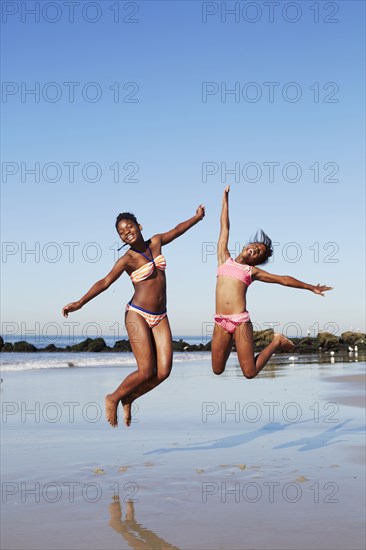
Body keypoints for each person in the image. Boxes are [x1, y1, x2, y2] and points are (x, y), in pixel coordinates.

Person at [62, 205, 205, 427]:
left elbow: (177, 230)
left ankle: (129, 398)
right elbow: (105, 282)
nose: (126, 232)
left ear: (139, 227)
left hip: (160, 316)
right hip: (137, 314)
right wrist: (80, 303)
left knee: (164, 372)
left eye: (129, 227)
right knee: (146, 370)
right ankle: (113, 397)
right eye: (121, 231)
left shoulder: (156, 242)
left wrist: (196, 218)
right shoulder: (127, 260)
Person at [212, 186, 332, 378]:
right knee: (217, 370)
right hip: (220, 321)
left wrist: (310, 287)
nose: (254, 250)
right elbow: (224, 227)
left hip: (240, 322)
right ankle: (233, 342)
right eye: (255, 246)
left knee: (249, 372)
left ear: (256, 261)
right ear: (247, 245)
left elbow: (283, 279)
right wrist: (225, 200)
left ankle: (277, 341)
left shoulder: (251, 271)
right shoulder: (223, 258)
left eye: (258, 253)